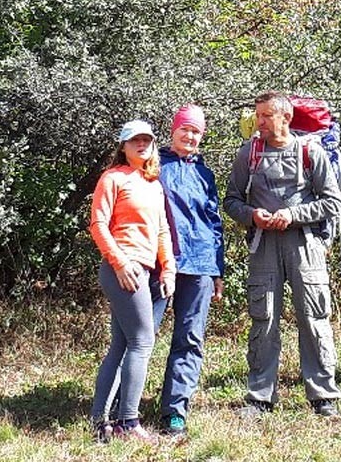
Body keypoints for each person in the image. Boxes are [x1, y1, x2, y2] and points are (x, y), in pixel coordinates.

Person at [223, 91, 341, 418]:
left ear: (285, 118)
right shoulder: (248, 153)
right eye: (257, 115)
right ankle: (260, 398)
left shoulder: (310, 152)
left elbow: (332, 203)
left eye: (265, 116)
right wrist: (252, 215)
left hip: (305, 245)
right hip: (264, 244)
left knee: (314, 318)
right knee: (264, 319)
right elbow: (231, 201)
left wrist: (293, 215)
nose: (258, 122)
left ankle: (323, 397)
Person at [88, 119, 175, 442]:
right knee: (142, 341)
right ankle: (128, 422)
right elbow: (98, 224)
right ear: (123, 147)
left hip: (147, 270)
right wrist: (120, 262)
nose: (141, 145)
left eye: (147, 140)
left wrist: (168, 268)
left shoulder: (153, 183)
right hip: (123, 269)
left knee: (122, 344)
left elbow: (162, 229)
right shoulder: (112, 178)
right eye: (134, 140)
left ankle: (99, 422)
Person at [154, 105, 225, 437]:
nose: (190, 136)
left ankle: (175, 412)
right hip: (156, 263)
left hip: (199, 265)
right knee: (140, 338)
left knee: (190, 339)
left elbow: (214, 224)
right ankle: (120, 409)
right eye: (186, 129)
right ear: (174, 130)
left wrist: (217, 270)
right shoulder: (154, 165)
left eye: (196, 132)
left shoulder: (205, 175)